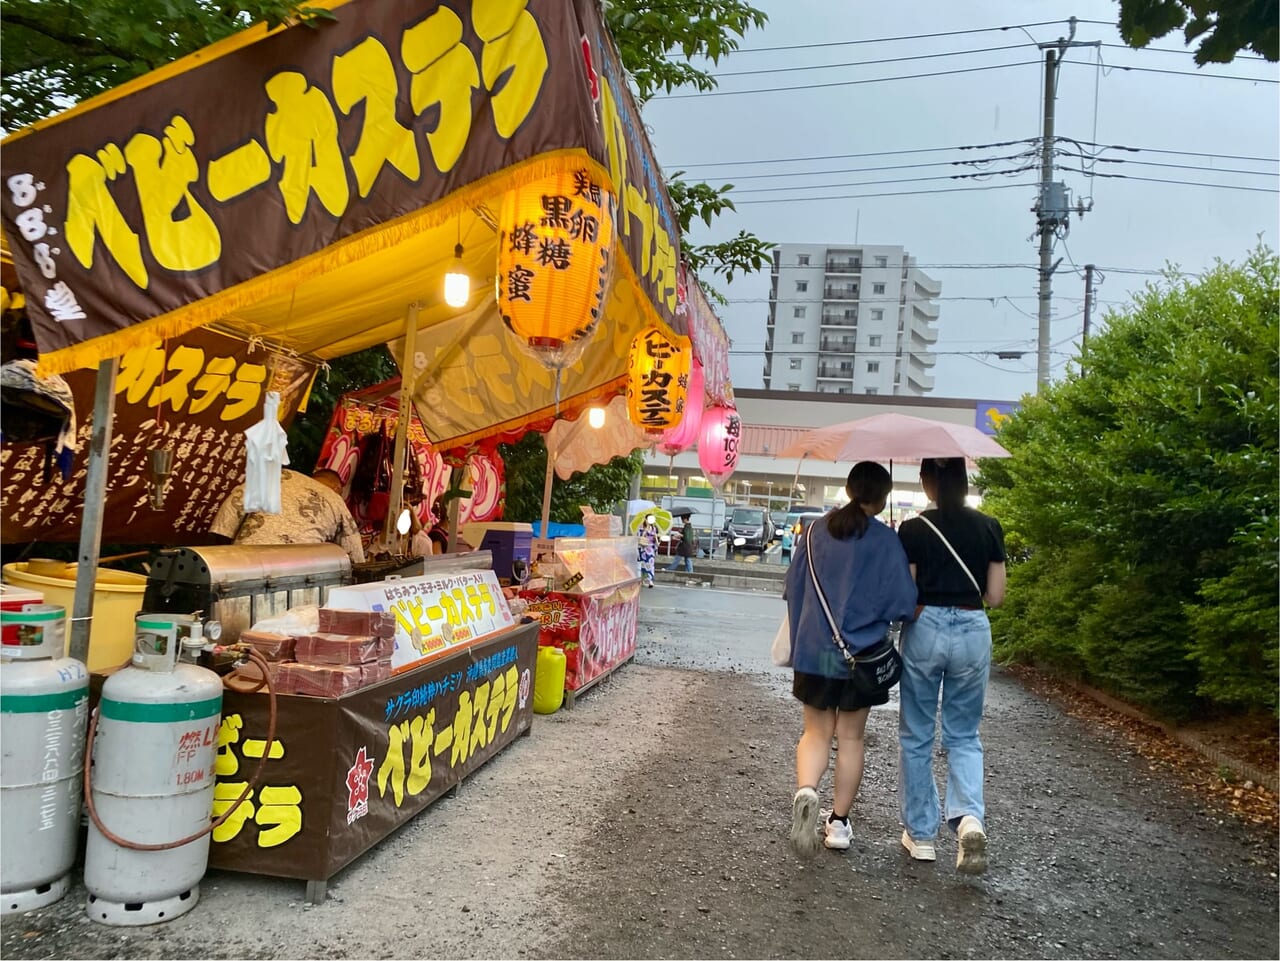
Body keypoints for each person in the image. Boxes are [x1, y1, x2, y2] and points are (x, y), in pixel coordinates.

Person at [785, 462, 917, 855]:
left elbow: (793, 590)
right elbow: (902, 604)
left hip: (814, 653)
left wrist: (800, 643)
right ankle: (839, 823)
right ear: (883, 497)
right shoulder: (885, 540)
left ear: (847, 488)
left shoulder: (813, 534)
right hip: (861, 657)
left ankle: (807, 791)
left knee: (815, 733)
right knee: (851, 738)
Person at [895, 457, 1007, 875]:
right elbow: (995, 596)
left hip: (926, 628)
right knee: (964, 734)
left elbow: (905, 595)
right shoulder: (989, 526)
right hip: (973, 626)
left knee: (917, 733)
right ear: (963, 480)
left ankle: (921, 836)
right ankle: (969, 820)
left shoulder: (913, 528)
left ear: (927, 482)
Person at [210, 467, 366, 564]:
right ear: (337, 487)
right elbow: (355, 556)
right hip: (297, 568)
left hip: (245, 559)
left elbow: (231, 509)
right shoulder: (335, 499)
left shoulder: (280, 476)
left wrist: (222, 554)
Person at [637, 514, 659, 588]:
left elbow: (656, 540)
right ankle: (642, 580)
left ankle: (650, 580)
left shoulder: (654, 528)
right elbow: (640, 538)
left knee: (651, 565)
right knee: (643, 564)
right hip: (643, 549)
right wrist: (645, 531)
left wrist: (656, 540)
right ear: (645, 520)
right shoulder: (641, 527)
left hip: (651, 549)